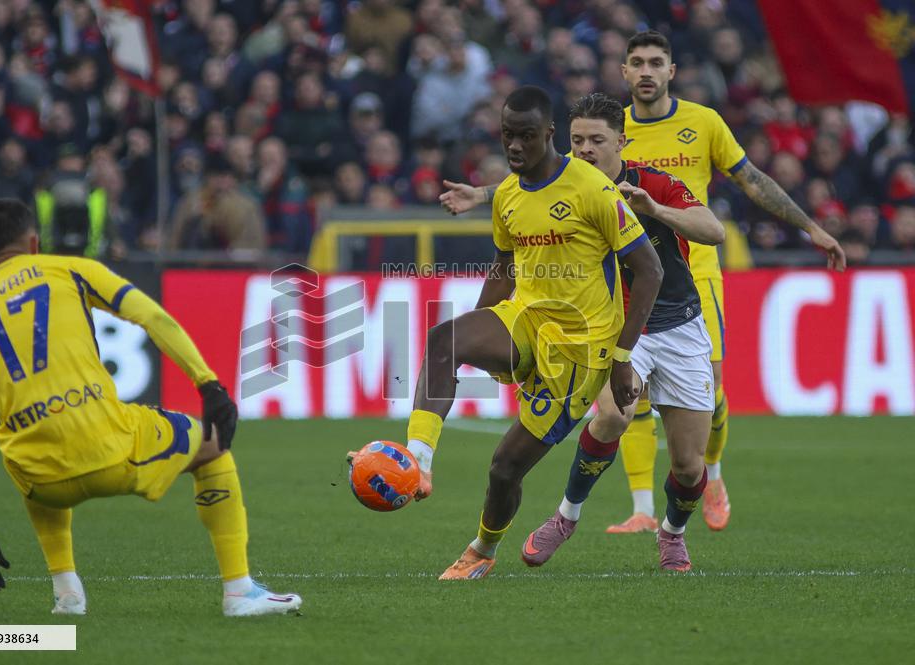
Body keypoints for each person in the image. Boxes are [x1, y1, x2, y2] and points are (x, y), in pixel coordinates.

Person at [0, 199, 300, 617]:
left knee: (25, 447)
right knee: (213, 447)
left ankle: (67, 593)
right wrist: (207, 382)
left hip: (44, 483)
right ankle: (240, 591)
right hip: (110, 450)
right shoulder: (69, 269)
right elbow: (153, 318)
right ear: (34, 242)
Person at [363, 86, 663, 580]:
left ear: (548, 135)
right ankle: (417, 461)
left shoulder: (593, 190)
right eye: (507, 135)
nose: (515, 146)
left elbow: (649, 271)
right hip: (525, 317)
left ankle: (482, 549)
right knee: (445, 339)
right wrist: (481, 335)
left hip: (581, 347)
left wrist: (623, 356)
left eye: (526, 136)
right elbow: (505, 265)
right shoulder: (506, 194)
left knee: (505, 469)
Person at [440, 92, 726, 570]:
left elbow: (713, 231)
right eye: (576, 140)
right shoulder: (567, 184)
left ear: (622, 142)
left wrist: (653, 209)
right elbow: (525, 185)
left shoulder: (653, 184)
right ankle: (566, 516)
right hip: (613, 331)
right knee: (613, 416)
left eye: (597, 140)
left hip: (678, 325)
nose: (585, 149)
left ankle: (673, 534)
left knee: (688, 466)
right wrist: (482, 194)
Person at [607, 31, 846, 533]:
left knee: (710, 390)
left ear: (671, 71)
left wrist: (811, 228)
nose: (646, 71)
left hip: (695, 276)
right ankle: (642, 509)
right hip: (630, 276)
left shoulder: (703, 122)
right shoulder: (610, 130)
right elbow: (557, 179)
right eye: (637, 63)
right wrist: (484, 192)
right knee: (631, 390)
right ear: (624, 72)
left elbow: (752, 179)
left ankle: (712, 475)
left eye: (656, 62)